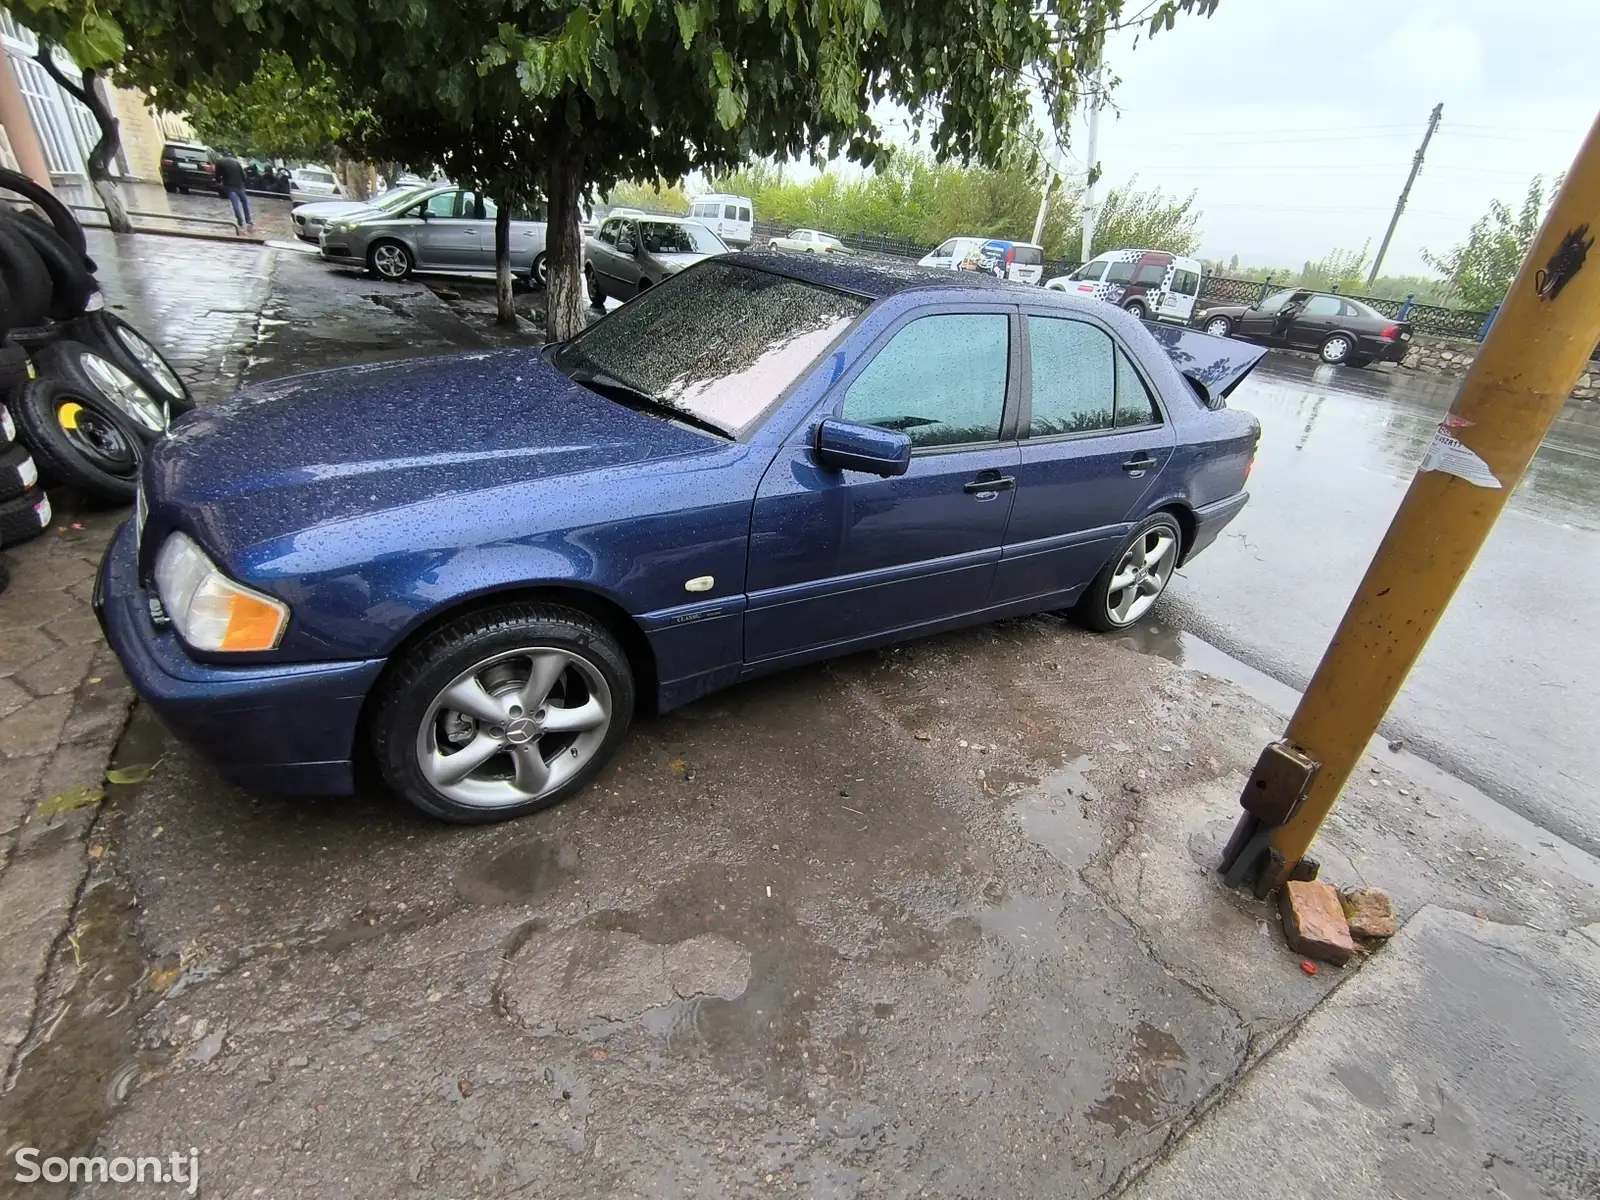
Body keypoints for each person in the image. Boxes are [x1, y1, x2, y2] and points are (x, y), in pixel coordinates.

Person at [214, 152, 252, 231]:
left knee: (235, 205)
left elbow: (217, 175)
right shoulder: (236, 162)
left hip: (230, 186)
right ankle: (248, 220)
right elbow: (244, 175)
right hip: (240, 185)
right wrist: (244, 182)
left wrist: (219, 182)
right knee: (244, 203)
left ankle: (240, 221)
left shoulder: (219, 162)